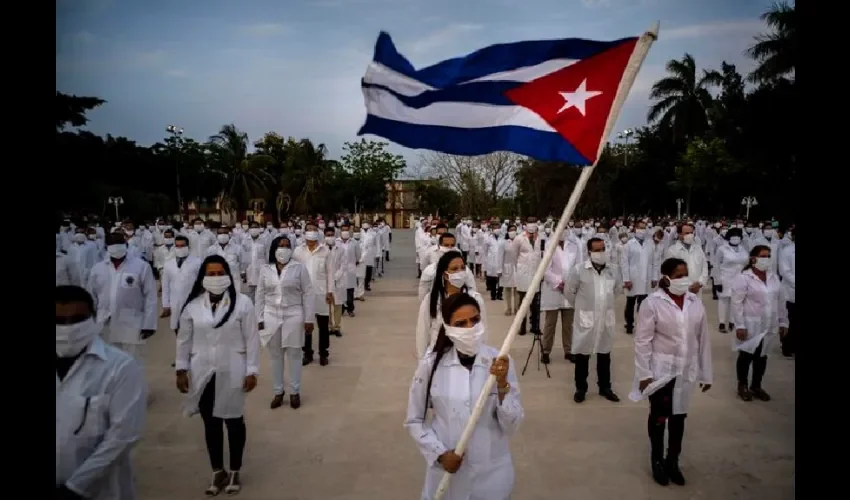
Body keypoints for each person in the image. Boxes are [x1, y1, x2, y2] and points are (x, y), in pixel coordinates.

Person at [404, 293, 523, 500]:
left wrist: (502, 385)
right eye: (461, 323)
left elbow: (512, 425)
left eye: (475, 320)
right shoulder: (431, 366)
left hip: (491, 472)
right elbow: (414, 420)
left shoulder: (499, 362)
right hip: (449, 475)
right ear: (448, 329)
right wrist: (439, 454)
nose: (470, 328)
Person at [176, 255, 260, 495]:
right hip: (202, 370)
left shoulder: (242, 303)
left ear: (227, 275)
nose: (215, 278)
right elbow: (184, 339)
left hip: (232, 368)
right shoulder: (192, 306)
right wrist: (181, 369)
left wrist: (252, 370)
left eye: (219, 273)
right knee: (210, 424)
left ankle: (234, 469)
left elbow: (252, 339)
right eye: (210, 274)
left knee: (233, 421)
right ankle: (217, 470)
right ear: (203, 277)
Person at [56, 285, 147, 500]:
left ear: (93, 319)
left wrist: (75, 488)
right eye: (59, 321)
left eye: (78, 319)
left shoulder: (120, 367)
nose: (68, 328)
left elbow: (124, 435)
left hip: (101, 490)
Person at [630, 258, 713, 486]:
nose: (683, 279)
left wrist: (706, 373)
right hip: (661, 371)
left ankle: (672, 460)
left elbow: (703, 338)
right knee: (659, 416)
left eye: (686, 274)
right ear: (665, 277)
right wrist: (644, 374)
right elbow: (643, 341)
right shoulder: (652, 303)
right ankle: (657, 460)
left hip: (686, 370)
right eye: (678, 275)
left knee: (679, 417)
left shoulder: (695, 302)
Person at [255, 235, 314, 409]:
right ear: (274, 249)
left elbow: (308, 293)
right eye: (281, 246)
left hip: (294, 314)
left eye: (287, 246)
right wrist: (259, 318)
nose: (284, 249)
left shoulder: (299, 268)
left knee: (294, 355)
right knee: (276, 356)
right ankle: (278, 391)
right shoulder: (265, 269)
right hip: (271, 315)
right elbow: (259, 295)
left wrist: (309, 318)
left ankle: (295, 392)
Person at [564, 237, 623, 403]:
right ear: (589, 252)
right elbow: (569, 293)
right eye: (596, 250)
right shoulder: (579, 270)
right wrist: (584, 306)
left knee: (604, 355)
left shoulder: (613, 270)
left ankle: (605, 387)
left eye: (603, 249)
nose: (601, 253)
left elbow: (617, 289)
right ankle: (581, 388)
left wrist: (604, 304)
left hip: (606, 319)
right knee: (582, 356)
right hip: (586, 320)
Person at [87, 232, 158, 361]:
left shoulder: (141, 266)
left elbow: (150, 296)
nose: (116, 247)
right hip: (104, 323)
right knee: (107, 363)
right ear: (107, 247)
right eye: (113, 244)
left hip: (132, 324)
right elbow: (91, 298)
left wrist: (149, 324)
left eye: (119, 243)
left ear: (126, 245)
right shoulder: (97, 269)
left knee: (133, 362)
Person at [731, 245, 788, 402]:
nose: (766, 259)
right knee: (746, 355)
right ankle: (742, 385)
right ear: (753, 259)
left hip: (770, 323)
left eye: (769, 256)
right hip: (751, 324)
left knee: (762, 357)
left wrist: (784, 321)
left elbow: (781, 301)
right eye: (763, 256)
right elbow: (736, 303)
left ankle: (757, 385)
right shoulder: (744, 278)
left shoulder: (773, 277)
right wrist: (740, 325)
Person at [415, 251, 487, 359]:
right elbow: (423, 334)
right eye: (454, 269)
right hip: (438, 357)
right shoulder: (431, 300)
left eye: (462, 268)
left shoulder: (475, 298)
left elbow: (482, 332)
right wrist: (423, 362)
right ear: (445, 274)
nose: (460, 272)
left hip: (468, 357)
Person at [541, 229, 581, 364]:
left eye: (565, 228)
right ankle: (546, 351)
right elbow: (546, 269)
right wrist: (558, 282)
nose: (563, 231)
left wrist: (571, 283)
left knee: (568, 324)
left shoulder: (574, 246)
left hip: (570, 290)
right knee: (550, 324)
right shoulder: (549, 245)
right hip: (553, 290)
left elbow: (578, 267)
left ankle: (568, 350)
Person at [620, 220, 661, 334]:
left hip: (646, 278)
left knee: (644, 303)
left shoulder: (650, 244)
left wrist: (654, 277)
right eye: (640, 228)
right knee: (630, 302)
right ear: (635, 229)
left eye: (644, 228)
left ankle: (643, 324)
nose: (642, 230)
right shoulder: (629, 244)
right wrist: (626, 279)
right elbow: (624, 263)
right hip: (633, 278)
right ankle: (629, 324)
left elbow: (654, 262)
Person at [161, 235, 202, 335]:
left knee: (193, 329)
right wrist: (165, 305)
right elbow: (165, 286)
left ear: (188, 247)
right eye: (177, 246)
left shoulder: (197, 262)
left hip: (193, 301)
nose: (180, 248)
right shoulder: (168, 264)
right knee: (178, 329)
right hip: (175, 302)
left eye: (182, 246)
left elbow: (202, 283)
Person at [511, 217, 544, 336]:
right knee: (523, 303)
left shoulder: (542, 237)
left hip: (536, 273)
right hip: (523, 274)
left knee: (536, 303)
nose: (532, 225)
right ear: (525, 224)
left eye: (534, 222)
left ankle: (535, 326)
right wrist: (521, 268)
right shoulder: (519, 238)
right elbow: (514, 256)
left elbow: (543, 254)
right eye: (529, 222)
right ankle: (522, 327)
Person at [714, 228, 749, 333]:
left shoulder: (743, 249)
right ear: (728, 237)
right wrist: (717, 281)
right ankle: (721, 323)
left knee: (736, 301)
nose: (735, 237)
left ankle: (732, 321)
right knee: (724, 300)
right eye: (733, 235)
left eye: (737, 235)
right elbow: (716, 265)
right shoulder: (722, 249)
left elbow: (746, 263)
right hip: (725, 278)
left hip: (740, 279)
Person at [663, 223, 709, 298]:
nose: (690, 235)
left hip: (697, 289)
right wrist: (687, 287)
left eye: (691, 233)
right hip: (680, 292)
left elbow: (704, 266)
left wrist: (700, 283)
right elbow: (670, 273)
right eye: (687, 233)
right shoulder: (672, 251)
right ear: (679, 234)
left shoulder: (698, 249)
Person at [778, 228, 795, 357]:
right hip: (790, 290)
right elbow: (785, 271)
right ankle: (787, 346)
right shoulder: (787, 251)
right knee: (790, 320)